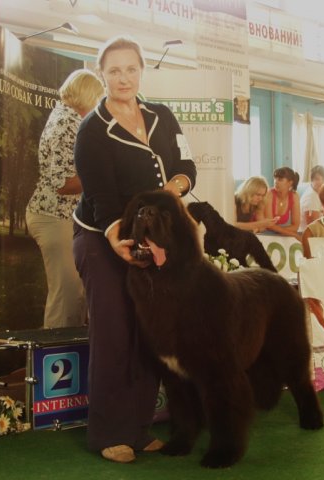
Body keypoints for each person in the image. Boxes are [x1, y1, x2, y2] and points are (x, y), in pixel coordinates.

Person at [72, 36, 196, 464]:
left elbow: (186, 166)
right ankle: (108, 433)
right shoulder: (92, 130)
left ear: (142, 70)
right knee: (114, 333)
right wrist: (117, 240)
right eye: (114, 71)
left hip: (152, 238)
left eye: (131, 69)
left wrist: (173, 190)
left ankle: (139, 429)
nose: (123, 78)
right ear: (101, 74)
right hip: (101, 236)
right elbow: (102, 200)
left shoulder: (162, 115)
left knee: (150, 331)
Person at [26, 69, 104, 329]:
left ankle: (70, 360)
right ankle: (54, 364)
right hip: (53, 216)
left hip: (63, 218)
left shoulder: (70, 119)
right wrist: (105, 175)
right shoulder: (65, 123)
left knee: (76, 294)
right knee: (67, 297)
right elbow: (62, 184)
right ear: (88, 95)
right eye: (98, 98)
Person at [262, 166, 301, 238]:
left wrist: (280, 233)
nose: (275, 182)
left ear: (290, 182)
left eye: (280, 179)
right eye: (275, 178)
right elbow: (269, 225)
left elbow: (295, 226)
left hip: (274, 234)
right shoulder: (269, 194)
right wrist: (291, 234)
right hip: (261, 232)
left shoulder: (294, 196)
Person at [299, 164, 324, 234]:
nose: (321, 182)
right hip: (308, 235)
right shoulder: (311, 197)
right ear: (311, 180)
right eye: (317, 179)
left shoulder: (319, 193)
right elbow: (313, 226)